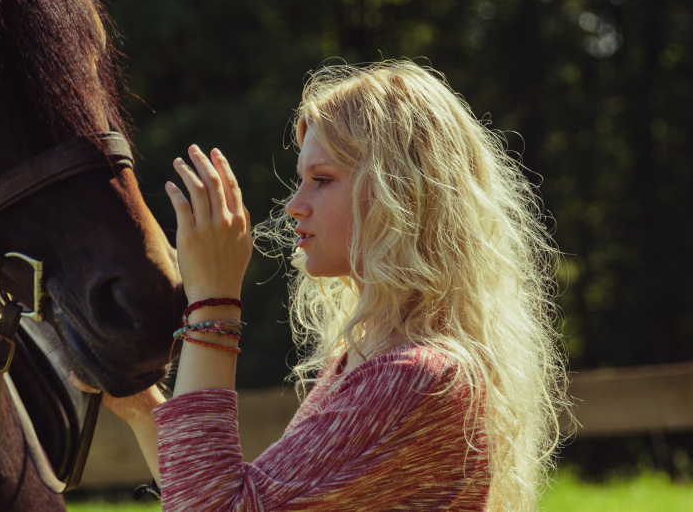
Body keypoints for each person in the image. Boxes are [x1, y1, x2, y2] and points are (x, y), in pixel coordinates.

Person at [71, 60, 570, 511]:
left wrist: (214, 303)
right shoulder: (373, 359)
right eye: (300, 179)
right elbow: (226, 496)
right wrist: (141, 408)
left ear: (401, 191)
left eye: (323, 179)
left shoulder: (419, 376)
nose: (295, 205)